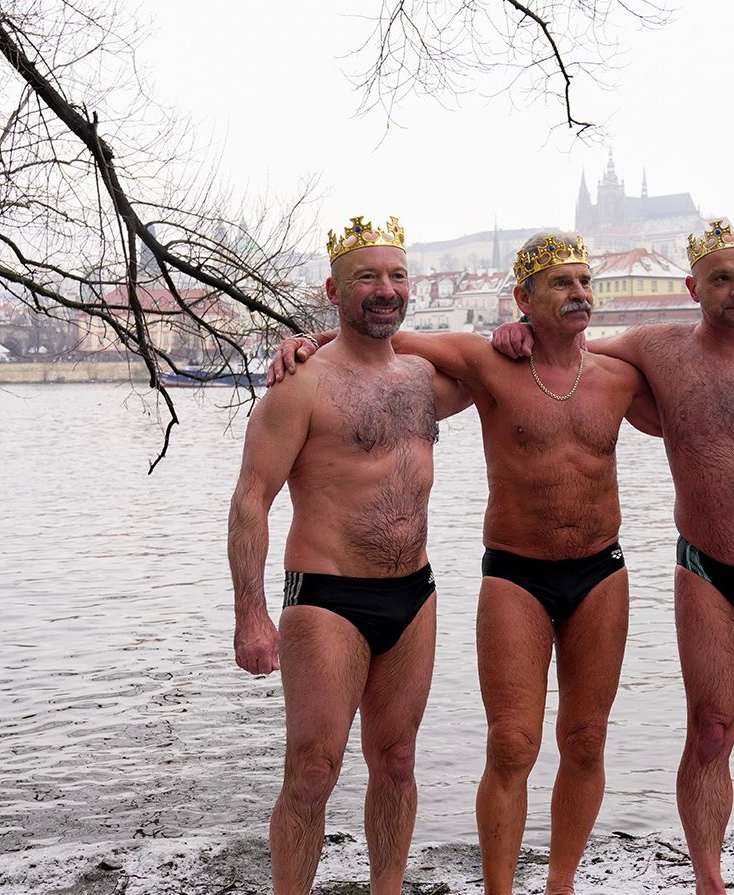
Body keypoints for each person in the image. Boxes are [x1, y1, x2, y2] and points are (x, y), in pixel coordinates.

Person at [493, 218, 734, 895]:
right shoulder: (660, 350)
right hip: (706, 571)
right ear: (693, 286)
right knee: (710, 730)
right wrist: (517, 332)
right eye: (723, 278)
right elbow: (573, 348)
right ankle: (708, 879)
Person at [265, 231, 661, 894]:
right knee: (510, 743)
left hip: (601, 571)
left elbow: (697, 382)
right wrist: (309, 343)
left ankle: (561, 883)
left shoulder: (620, 374)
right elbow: (383, 343)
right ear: (523, 298)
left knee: (586, 740)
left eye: (584, 282)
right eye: (561, 284)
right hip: (514, 573)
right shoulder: (487, 363)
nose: (579, 294)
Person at [228, 215, 473, 895]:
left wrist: (327, 331)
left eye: (397, 275)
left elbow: (491, 363)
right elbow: (251, 498)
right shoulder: (301, 383)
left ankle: (386, 888)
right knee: (313, 768)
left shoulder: (424, 380)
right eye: (367, 276)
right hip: (328, 598)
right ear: (333, 287)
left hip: (413, 596)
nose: (386, 289)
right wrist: (250, 614)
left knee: (396, 760)